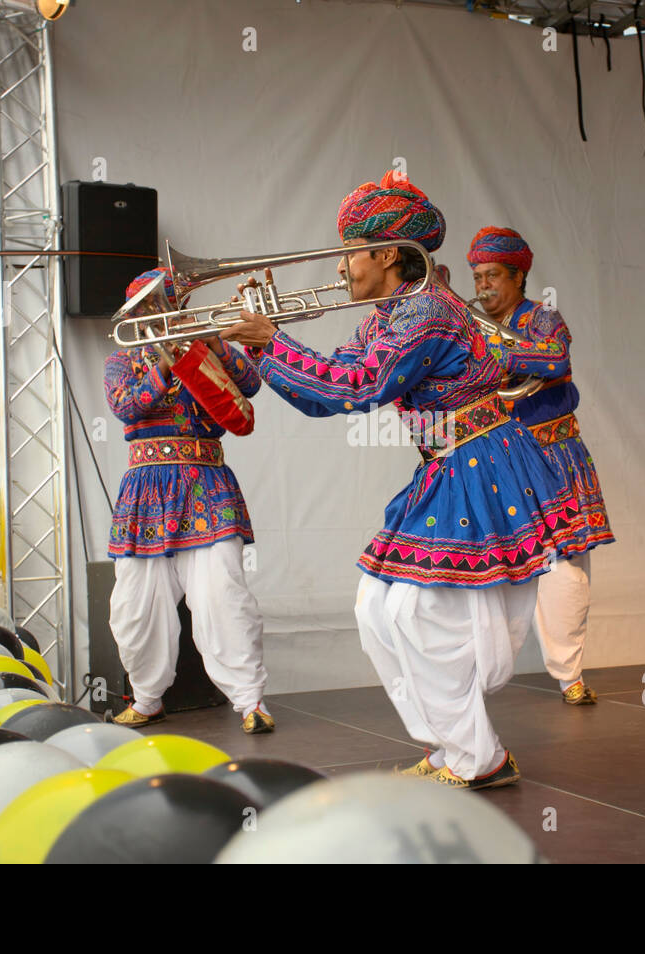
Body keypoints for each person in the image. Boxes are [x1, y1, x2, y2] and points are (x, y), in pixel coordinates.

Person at [221, 170, 583, 789]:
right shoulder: (394, 310)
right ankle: (447, 743)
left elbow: (354, 387)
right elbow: (330, 381)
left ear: (387, 254)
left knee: (418, 614)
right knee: (374, 609)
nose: (340, 270)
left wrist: (273, 340)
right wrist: (261, 344)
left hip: (481, 461)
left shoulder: (425, 315)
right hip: (448, 466)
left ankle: (481, 757)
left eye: (347, 254)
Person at [104, 267, 272, 733]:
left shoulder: (204, 350)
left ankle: (250, 701)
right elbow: (125, 405)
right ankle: (147, 698)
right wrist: (165, 361)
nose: (155, 315)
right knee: (135, 607)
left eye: (163, 305)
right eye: (146, 309)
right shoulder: (122, 359)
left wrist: (214, 347)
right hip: (146, 490)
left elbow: (251, 385)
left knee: (224, 596)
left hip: (205, 482)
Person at [466, 227, 614, 704]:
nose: (482, 286)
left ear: (518, 276)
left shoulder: (545, 319)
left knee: (565, 568)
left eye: (491, 276)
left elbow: (554, 360)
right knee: (495, 569)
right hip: (502, 460)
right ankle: (480, 676)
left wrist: (489, 350)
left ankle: (570, 676)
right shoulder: (469, 326)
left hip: (553, 453)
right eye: (476, 277)